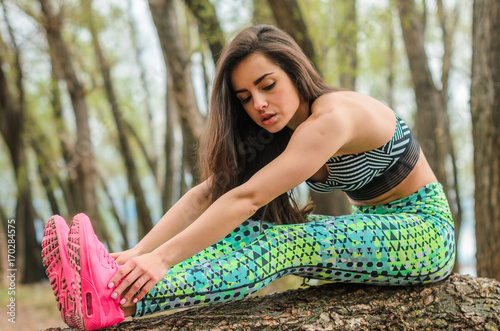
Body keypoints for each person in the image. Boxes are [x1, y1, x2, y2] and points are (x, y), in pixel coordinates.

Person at [41, 24, 455, 330]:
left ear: (294, 72)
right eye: (245, 97)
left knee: (282, 241)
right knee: (248, 231)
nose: (259, 103)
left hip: (427, 233)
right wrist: (137, 254)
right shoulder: (280, 133)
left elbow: (247, 198)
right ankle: (111, 281)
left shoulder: (333, 118)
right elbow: (208, 196)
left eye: (267, 85)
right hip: (373, 227)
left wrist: (162, 260)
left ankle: (119, 303)